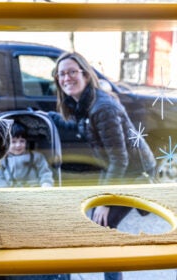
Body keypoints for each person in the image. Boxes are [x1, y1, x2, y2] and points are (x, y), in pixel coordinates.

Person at [48, 51, 156, 280]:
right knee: (85, 214)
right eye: (61, 74)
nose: (66, 78)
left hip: (134, 173)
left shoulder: (103, 108)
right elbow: (74, 124)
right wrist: (43, 116)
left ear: (86, 75)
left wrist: (105, 202)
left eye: (72, 72)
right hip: (116, 169)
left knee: (103, 226)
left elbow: (120, 160)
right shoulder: (82, 102)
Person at [0, 122, 54, 188]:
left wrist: (46, 183)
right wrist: (3, 190)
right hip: (11, 194)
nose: (18, 145)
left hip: (34, 191)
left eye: (22, 141)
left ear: (26, 143)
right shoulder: (2, 160)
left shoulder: (36, 157)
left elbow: (45, 173)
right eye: (13, 142)